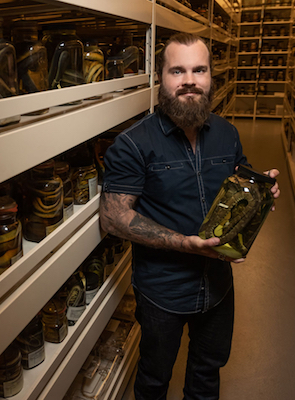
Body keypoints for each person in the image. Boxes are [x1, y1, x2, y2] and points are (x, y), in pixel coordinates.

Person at [99, 32, 280, 400]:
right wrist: (187, 244)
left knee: (206, 373)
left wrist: (261, 192)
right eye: (177, 71)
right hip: (162, 291)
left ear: (212, 77)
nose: (189, 81)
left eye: (199, 70)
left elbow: (240, 180)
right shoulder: (134, 144)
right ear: (160, 79)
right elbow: (114, 218)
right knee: (154, 379)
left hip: (217, 286)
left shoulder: (227, 135)